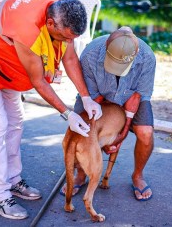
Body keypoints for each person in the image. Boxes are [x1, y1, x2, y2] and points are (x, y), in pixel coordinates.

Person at [0, 0, 102, 220]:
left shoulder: (61, 8)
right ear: (50, 23)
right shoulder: (27, 30)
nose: (67, 43)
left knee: (15, 122)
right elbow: (38, 81)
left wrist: (86, 97)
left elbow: (70, 58)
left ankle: (13, 180)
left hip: (8, 66)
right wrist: (67, 113)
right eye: (65, 38)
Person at [60, 26, 156, 201]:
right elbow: (93, 98)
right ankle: (81, 175)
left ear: (135, 54)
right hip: (95, 96)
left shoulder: (147, 57)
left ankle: (138, 176)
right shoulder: (90, 54)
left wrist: (121, 133)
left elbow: (136, 96)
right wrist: (99, 135)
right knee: (83, 129)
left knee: (146, 133)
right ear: (106, 45)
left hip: (130, 96)